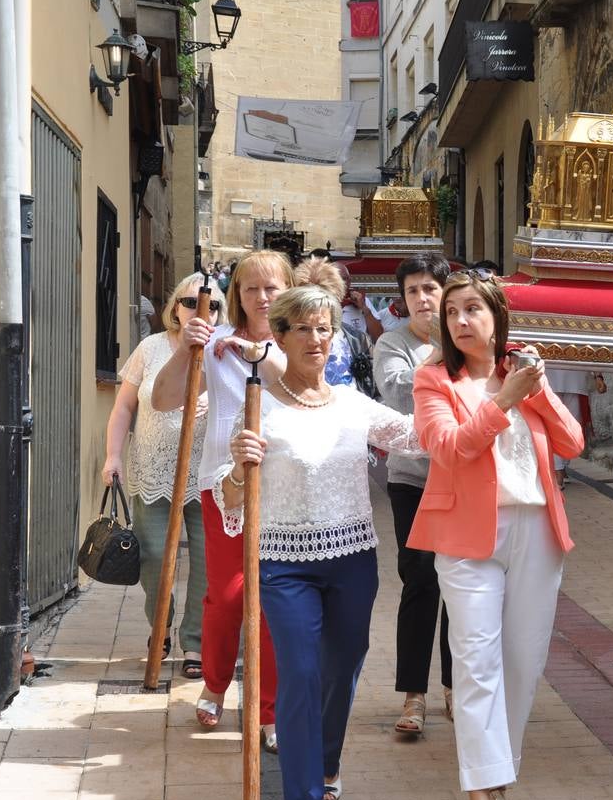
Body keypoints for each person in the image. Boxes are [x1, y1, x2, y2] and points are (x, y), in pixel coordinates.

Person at [218, 284, 421, 800]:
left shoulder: (354, 404)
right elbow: (231, 501)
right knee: (301, 676)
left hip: (353, 558)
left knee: (342, 668)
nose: (316, 338)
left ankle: (327, 762)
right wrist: (238, 466)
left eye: (325, 328)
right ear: (278, 337)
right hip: (283, 562)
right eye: (303, 328)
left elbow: (420, 438)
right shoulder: (259, 407)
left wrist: (486, 402)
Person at [410, 271, 583, 800]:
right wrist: (502, 402)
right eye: (452, 312)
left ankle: (499, 780)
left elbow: (573, 443)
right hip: (465, 536)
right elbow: (450, 448)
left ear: (496, 317)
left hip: (537, 528)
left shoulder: (522, 374)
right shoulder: (434, 379)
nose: (461, 321)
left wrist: (534, 390)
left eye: (473, 310)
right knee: (476, 661)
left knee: (523, 662)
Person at [152, 249, 291, 749]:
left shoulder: (302, 339)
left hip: (286, 484)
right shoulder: (214, 347)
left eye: (271, 287)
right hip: (224, 483)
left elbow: (300, 388)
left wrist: (261, 355)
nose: (261, 297)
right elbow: (163, 398)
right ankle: (214, 682)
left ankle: (270, 708)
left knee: (275, 600)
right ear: (237, 295)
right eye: (250, 288)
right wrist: (185, 348)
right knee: (227, 594)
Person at [101, 273, 226, 675]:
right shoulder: (150, 348)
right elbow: (123, 408)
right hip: (152, 469)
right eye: (190, 302)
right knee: (152, 555)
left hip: (206, 474)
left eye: (211, 305)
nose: (200, 310)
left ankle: (195, 642)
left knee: (208, 562)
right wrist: (113, 457)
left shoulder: (224, 352)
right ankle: (162, 623)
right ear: (175, 307)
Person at [371, 253, 454, 735]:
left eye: (430, 289)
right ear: (401, 300)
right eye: (413, 292)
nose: (422, 299)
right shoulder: (392, 343)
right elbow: (403, 396)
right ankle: (414, 696)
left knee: (461, 588)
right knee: (420, 580)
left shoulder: (464, 336)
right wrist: (444, 357)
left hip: (460, 478)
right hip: (413, 479)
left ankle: (454, 689)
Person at [291, 257, 377, 398]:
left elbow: (373, 386)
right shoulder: (288, 337)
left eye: (325, 296)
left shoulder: (356, 339)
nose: (318, 305)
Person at [545, 369, 606, 488]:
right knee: (554, 424)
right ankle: (558, 470)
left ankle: (562, 465)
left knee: (571, 426)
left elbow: (592, 350)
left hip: (575, 374)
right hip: (549, 370)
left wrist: (598, 375)